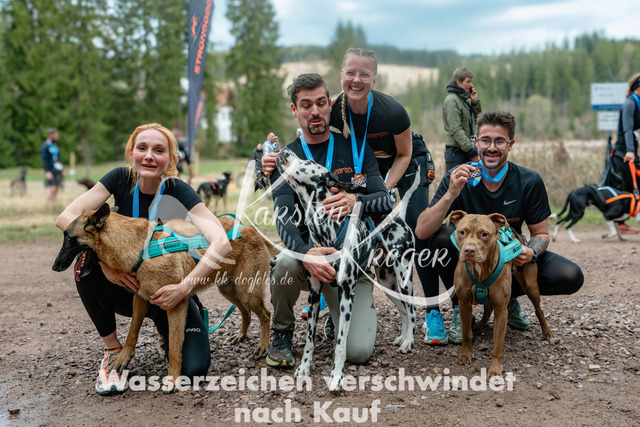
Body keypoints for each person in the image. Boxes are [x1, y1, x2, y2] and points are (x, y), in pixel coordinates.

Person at [55, 123, 232, 395]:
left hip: (167, 292)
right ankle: (112, 350)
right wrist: (105, 265)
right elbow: (66, 219)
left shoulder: (178, 189)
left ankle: (166, 331)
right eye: (142, 148)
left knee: (194, 370)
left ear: (170, 159)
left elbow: (222, 243)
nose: (149, 156)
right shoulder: (119, 179)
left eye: (159, 150)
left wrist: (184, 288)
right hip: (127, 287)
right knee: (84, 266)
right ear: (131, 153)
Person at [260, 73, 394, 367]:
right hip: (313, 259)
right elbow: (283, 217)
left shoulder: (356, 150)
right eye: (306, 105)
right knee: (283, 263)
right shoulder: (288, 159)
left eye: (321, 103)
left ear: (330, 105)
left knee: (358, 353)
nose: (315, 111)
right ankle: (282, 333)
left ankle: (335, 316)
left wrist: (356, 200)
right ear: (295, 110)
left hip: (353, 262)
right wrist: (305, 253)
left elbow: (385, 201)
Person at [415, 111, 583, 344]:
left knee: (570, 276)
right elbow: (421, 231)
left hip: (508, 261)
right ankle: (458, 308)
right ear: (476, 142)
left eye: (499, 141)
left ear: (510, 144)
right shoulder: (459, 176)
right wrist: (451, 194)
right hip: (469, 264)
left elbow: (541, 234)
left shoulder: (528, 180)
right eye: (485, 140)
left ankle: (506, 298)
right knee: (441, 237)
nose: (491, 148)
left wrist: (531, 251)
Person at [330, 47, 441, 344]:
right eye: (350, 73)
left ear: (374, 79)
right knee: (348, 221)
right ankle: (332, 301)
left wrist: (385, 190)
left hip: (407, 163)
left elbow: (404, 154)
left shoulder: (392, 111)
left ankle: (433, 312)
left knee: (419, 230)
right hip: (370, 168)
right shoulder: (333, 110)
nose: (356, 80)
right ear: (341, 75)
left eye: (364, 74)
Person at [611, 73, 640, 234]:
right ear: (637, 87)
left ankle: (620, 223)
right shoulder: (630, 103)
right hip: (624, 153)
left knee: (628, 189)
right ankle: (620, 223)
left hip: (630, 150)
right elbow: (628, 129)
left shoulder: (637, 102)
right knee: (630, 189)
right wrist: (630, 151)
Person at [443, 66, 481, 173]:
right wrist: (470, 150)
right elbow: (455, 129)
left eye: (471, 82)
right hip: (456, 153)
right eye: (467, 82)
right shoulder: (452, 101)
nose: (471, 85)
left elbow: (478, 120)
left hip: (467, 151)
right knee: (455, 182)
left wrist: (474, 102)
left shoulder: (466, 100)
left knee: (472, 182)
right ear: (458, 82)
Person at [41, 128, 64, 202]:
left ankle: (53, 204)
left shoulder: (55, 145)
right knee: (52, 187)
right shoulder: (45, 146)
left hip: (57, 169)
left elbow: (58, 159)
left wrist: (62, 170)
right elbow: (45, 160)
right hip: (50, 170)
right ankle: (47, 204)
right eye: (55, 135)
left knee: (57, 187)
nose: (57, 137)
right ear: (50, 135)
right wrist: (47, 171)